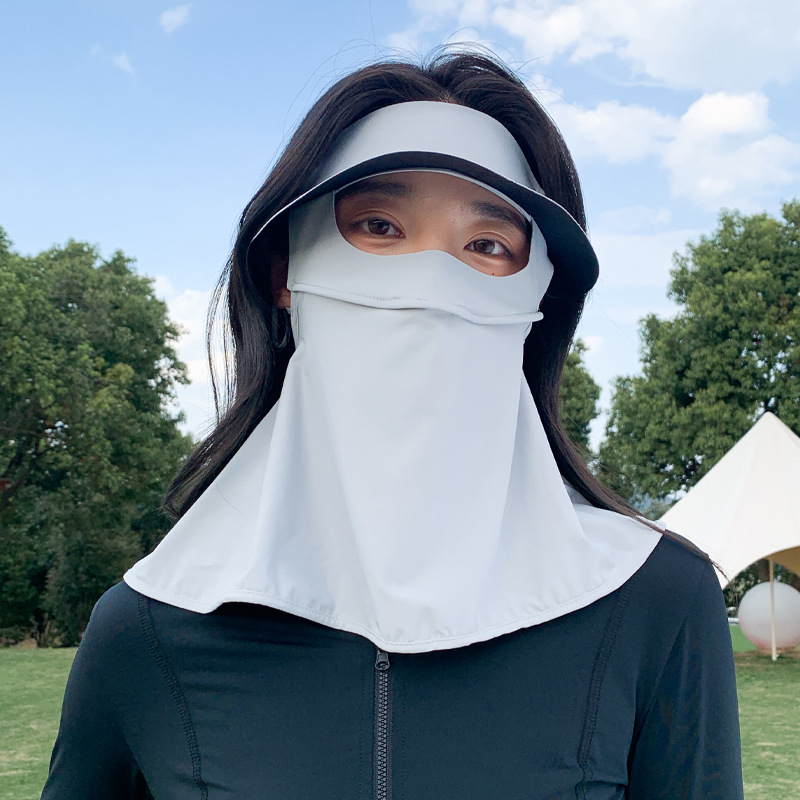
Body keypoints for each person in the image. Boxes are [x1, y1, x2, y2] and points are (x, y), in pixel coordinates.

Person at [41, 51, 743, 799]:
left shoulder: (657, 602)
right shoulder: (146, 631)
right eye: (378, 226)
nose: (430, 279)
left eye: (487, 246)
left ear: (536, 297)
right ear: (286, 272)